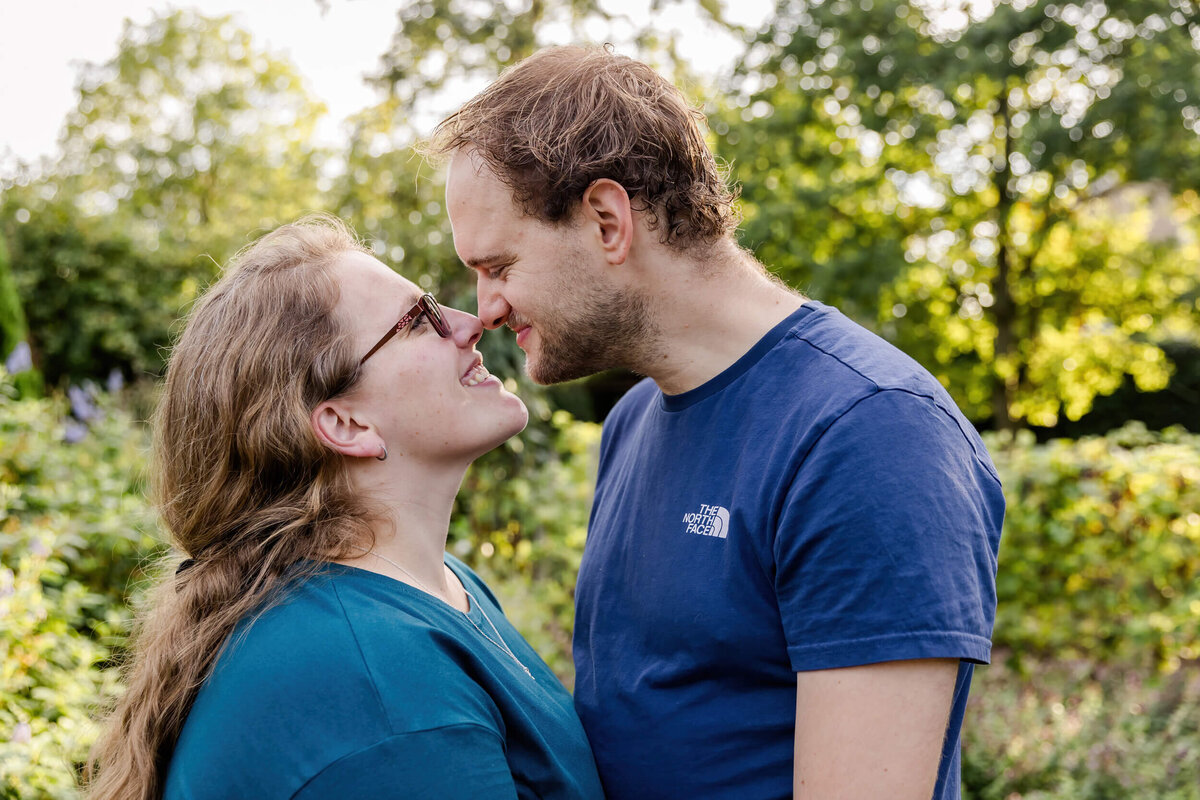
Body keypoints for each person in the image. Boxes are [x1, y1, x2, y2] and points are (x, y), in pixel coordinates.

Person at [429, 45, 1005, 800]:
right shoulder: (633, 423)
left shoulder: (870, 434)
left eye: (498, 266)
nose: (486, 308)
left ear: (607, 220)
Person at [82, 215, 604, 800]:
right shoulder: (376, 688)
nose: (471, 323)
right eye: (418, 320)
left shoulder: (436, 588)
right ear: (344, 422)